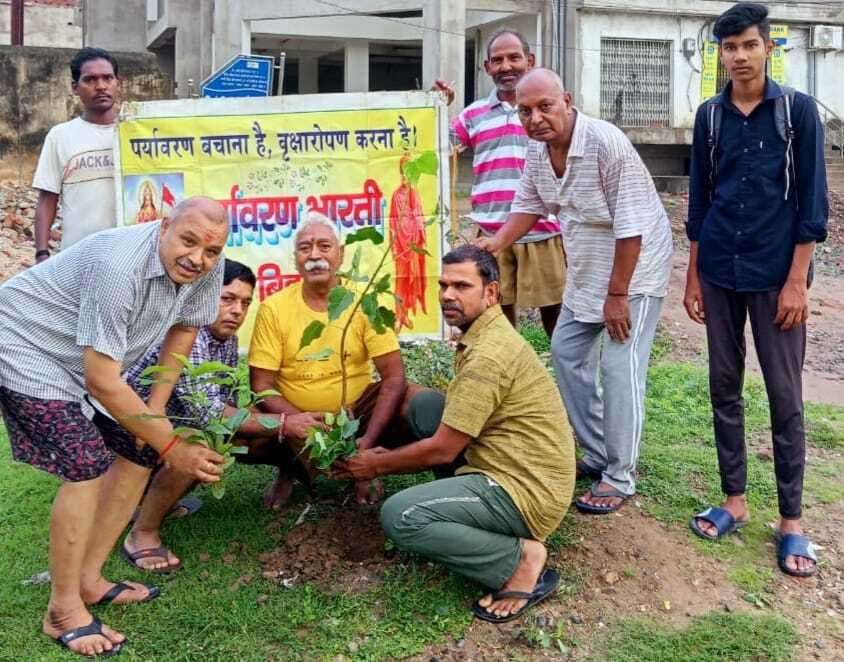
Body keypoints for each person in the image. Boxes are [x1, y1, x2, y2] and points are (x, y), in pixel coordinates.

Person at [0, 197, 229, 657]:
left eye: (210, 251)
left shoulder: (207, 266)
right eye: (188, 241)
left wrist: (156, 416)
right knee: (84, 463)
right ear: (163, 226)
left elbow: (184, 328)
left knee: (139, 447)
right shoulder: (117, 265)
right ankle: (62, 609)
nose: (197, 259)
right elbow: (102, 381)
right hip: (25, 343)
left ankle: (88, 579)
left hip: (85, 357)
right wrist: (172, 447)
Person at [333, 245, 575, 623]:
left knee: (400, 515)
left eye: (462, 285)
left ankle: (519, 560)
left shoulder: (489, 355)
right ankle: (464, 511)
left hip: (525, 493)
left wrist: (374, 466)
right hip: (519, 465)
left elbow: (444, 450)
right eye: (443, 285)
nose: (447, 295)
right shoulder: (486, 332)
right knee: (427, 406)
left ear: (491, 292)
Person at [478, 68, 673, 515]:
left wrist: (618, 296)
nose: (536, 118)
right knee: (566, 349)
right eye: (525, 111)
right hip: (587, 263)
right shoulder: (538, 150)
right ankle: (599, 450)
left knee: (620, 366)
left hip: (635, 266)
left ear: (566, 100)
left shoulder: (606, 143)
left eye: (545, 107)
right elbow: (527, 204)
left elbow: (631, 228)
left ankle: (620, 475)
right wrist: (496, 242)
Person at [684, 3, 828, 577]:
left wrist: (798, 282)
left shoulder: (798, 113)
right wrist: (692, 274)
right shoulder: (709, 116)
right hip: (719, 268)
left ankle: (791, 521)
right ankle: (734, 499)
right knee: (724, 384)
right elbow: (700, 201)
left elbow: (813, 204)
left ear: (768, 47)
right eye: (729, 47)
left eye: (748, 45)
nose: (739, 56)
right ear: (720, 54)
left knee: (784, 394)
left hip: (775, 276)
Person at [248, 212, 445, 505]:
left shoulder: (365, 301)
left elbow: (393, 377)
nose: (315, 255)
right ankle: (289, 468)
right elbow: (261, 384)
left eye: (324, 246)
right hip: (298, 417)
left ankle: (368, 464)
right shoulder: (274, 308)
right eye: (305, 248)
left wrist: (366, 443)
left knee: (420, 403)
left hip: (357, 412)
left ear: (341, 255)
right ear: (295, 260)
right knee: (241, 427)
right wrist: (296, 422)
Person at [121, 259, 298, 572]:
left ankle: (151, 504)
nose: (237, 311)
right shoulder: (190, 333)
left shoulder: (225, 339)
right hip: (124, 436)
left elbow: (227, 402)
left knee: (220, 437)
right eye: (227, 299)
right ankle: (142, 533)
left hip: (159, 430)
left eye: (245, 303)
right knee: (199, 443)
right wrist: (284, 424)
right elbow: (210, 413)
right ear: (205, 297)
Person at [434, 29, 565, 339]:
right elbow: (440, 147)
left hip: (542, 230)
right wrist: (440, 106)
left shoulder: (545, 111)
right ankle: (507, 378)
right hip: (491, 233)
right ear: (487, 67)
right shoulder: (473, 114)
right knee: (495, 315)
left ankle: (566, 381)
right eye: (497, 60)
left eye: (514, 58)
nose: (506, 66)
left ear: (529, 61)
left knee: (556, 315)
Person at [33, 47, 120, 263]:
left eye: (107, 78)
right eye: (90, 80)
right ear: (75, 87)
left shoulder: (138, 132)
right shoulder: (61, 136)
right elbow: (47, 198)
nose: (100, 86)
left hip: (134, 255)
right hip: (78, 256)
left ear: (118, 83)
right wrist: (42, 253)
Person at [390, 154, 428, 330]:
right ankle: (398, 315)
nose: (406, 176)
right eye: (403, 172)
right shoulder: (396, 195)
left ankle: (405, 314)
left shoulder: (415, 194)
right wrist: (392, 246)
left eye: (409, 173)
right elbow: (390, 222)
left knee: (410, 281)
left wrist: (420, 240)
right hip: (400, 245)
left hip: (413, 245)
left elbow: (420, 218)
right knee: (400, 281)